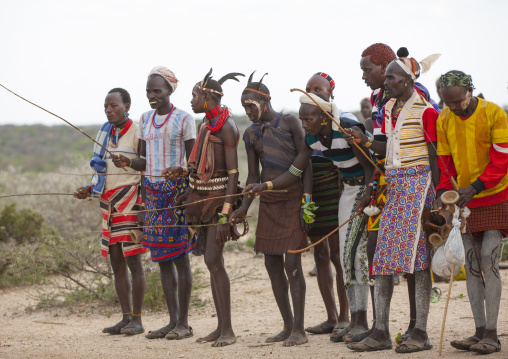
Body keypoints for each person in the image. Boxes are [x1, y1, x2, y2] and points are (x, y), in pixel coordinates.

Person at [245, 89, 374, 344]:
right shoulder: (312, 140)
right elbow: (298, 167)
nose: (303, 125)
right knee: (346, 258)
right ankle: (347, 323)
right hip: (346, 192)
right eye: (302, 119)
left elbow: (370, 166)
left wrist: (369, 193)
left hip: (364, 191)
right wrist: (263, 190)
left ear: (325, 117)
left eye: (308, 120)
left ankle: (360, 323)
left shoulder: (345, 129)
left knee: (354, 257)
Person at [348, 48, 440, 353]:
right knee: (384, 258)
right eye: (385, 76)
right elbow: (384, 149)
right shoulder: (388, 110)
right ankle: (382, 330)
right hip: (396, 186)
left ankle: (421, 332)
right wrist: (363, 141)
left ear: (408, 80)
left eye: (392, 77)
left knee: (418, 260)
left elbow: (434, 156)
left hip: (420, 185)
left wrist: (437, 198)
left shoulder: (426, 111)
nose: (385, 81)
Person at [164, 68, 244, 347]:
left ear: (208, 97)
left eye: (195, 95)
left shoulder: (227, 127)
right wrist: (181, 170)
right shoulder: (205, 126)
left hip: (219, 201)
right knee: (213, 263)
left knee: (213, 260)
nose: (191, 100)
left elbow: (233, 173)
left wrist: (226, 213)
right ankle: (221, 327)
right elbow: (196, 165)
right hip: (201, 198)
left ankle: (228, 331)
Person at [232, 72, 311, 346]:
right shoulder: (251, 133)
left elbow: (305, 160)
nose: (247, 111)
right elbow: (253, 176)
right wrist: (243, 207)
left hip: (292, 199)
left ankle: (300, 329)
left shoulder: (288, 121)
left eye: (250, 106)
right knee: (271, 263)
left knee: (293, 264)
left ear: (264, 102)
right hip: (269, 202)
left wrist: (306, 201)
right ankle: (288, 326)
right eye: (244, 107)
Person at [436, 71, 508, 354]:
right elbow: (445, 163)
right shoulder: (444, 119)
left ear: (470, 91)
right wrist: (447, 196)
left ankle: (492, 333)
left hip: (495, 194)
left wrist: (475, 187)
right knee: (472, 266)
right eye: (448, 103)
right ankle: (478, 332)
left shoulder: (495, 114)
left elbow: (503, 159)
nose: (454, 108)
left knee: (489, 263)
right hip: (465, 201)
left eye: (457, 102)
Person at [74, 88, 147, 335]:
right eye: (106, 106)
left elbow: (147, 165)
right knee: (116, 262)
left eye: (114, 105)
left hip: (130, 200)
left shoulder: (138, 131)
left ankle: (137, 319)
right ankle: (126, 318)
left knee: (133, 260)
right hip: (108, 201)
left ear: (126, 106)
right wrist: (88, 188)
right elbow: (100, 171)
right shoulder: (104, 133)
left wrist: (127, 162)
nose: (109, 110)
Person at [138, 67, 196, 340]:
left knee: (180, 258)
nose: (152, 95)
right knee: (162, 259)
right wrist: (126, 162)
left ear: (169, 91)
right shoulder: (144, 119)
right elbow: (142, 161)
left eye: (157, 90)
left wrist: (183, 178)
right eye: (149, 91)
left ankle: (183, 323)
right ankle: (172, 321)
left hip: (176, 195)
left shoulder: (184, 119)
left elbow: (193, 164)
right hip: (152, 196)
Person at [303, 73, 349, 335]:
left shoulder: (340, 120)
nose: (312, 92)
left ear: (330, 91)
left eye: (318, 88)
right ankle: (331, 317)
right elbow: (303, 158)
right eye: (308, 88)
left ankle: (345, 316)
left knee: (337, 255)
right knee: (319, 254)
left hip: (336, 189)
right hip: (313, 192)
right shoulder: (306, 121)